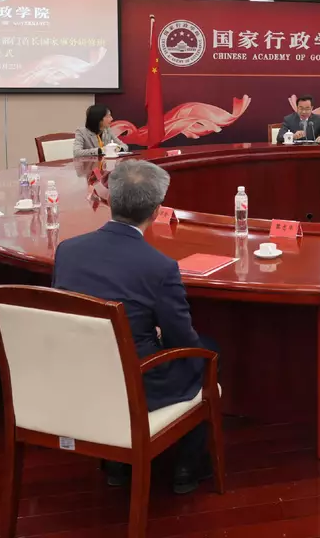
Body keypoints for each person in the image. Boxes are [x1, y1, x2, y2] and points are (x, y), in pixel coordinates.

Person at [53, 160, 217, 494]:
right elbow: (181, 338)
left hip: (78, 374)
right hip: (136, 384)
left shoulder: (67, 251)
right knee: (207, 351)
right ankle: (187, 467)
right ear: (156, 212)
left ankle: (117, 464)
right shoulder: (160, 267)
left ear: (110, 201)